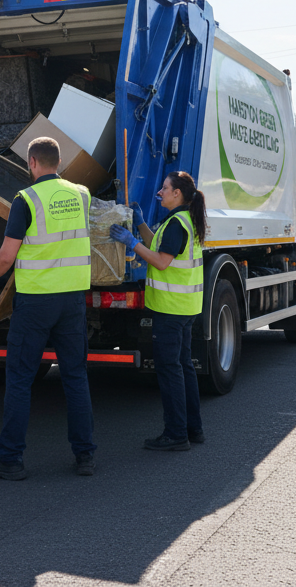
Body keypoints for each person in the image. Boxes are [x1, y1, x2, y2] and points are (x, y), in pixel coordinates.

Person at [0, 137, 97, 480]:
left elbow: (6, 257)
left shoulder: (25, 200)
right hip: (72, 301)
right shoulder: (82, 195)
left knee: (20, 380)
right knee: (75, 377)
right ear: (58, 162)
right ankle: (85, 456)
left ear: (32, 162)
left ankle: (10, 460)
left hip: (36, 304)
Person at [110, 171, 206, 451]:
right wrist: (140, 225)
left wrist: (131, 244)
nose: (160, 192)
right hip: (185, 307)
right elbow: (159, 246)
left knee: (169, 370)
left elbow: (161, 262)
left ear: (178, 194)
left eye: (165, 188)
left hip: (170, 309)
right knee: (184, 367)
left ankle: (176, 434)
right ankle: (193, 428)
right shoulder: (184, 220)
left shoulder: (177, 223)